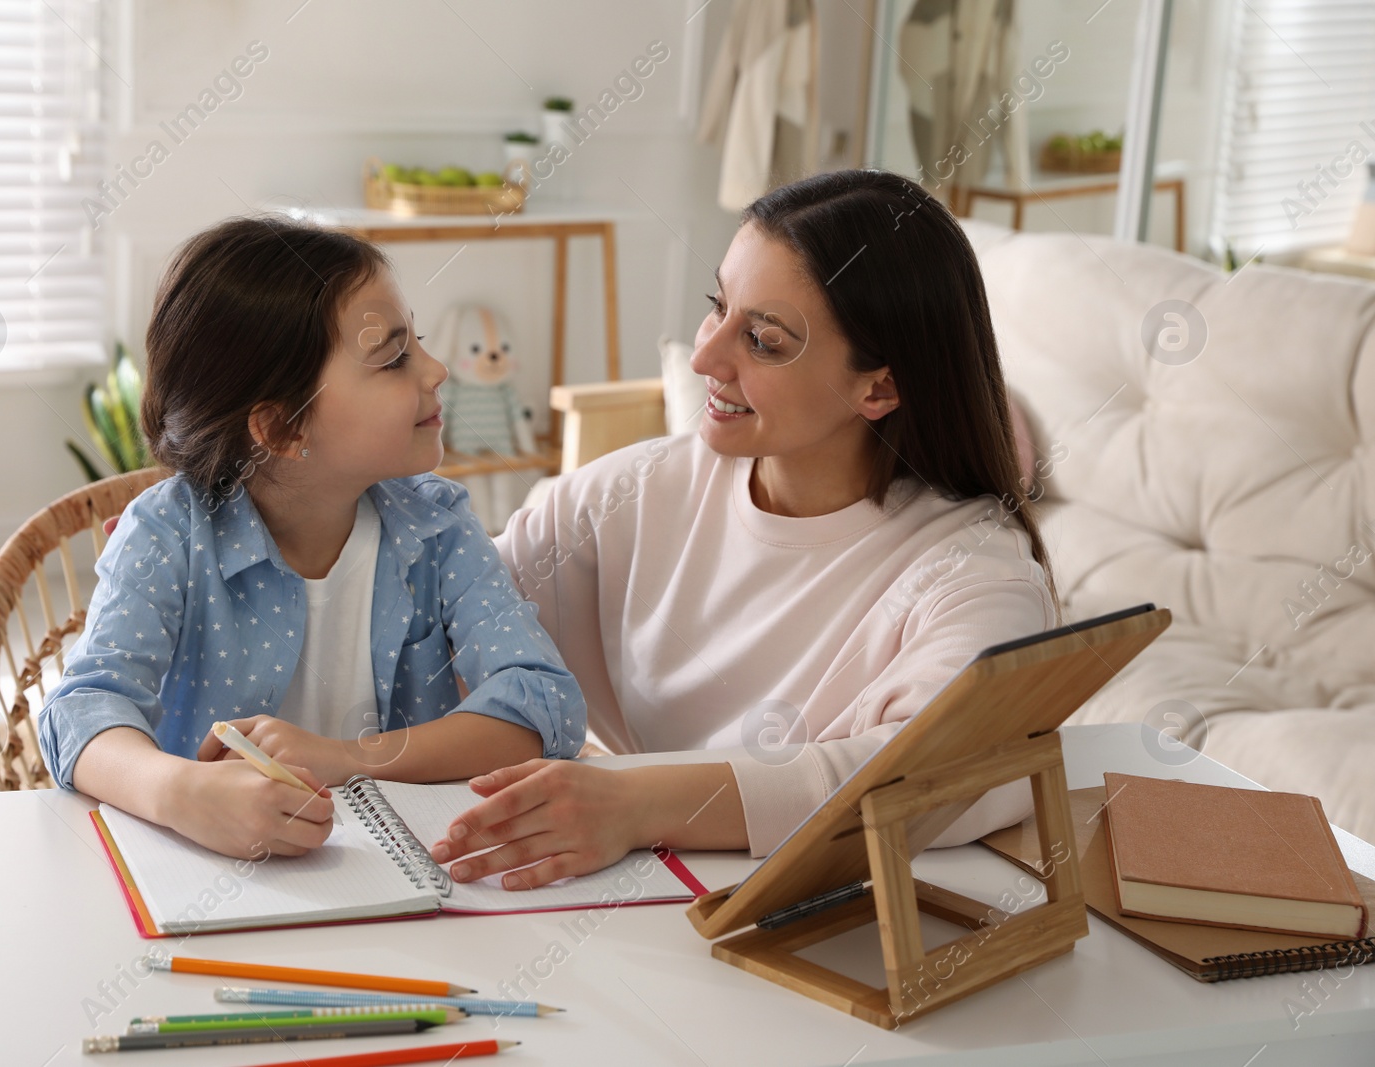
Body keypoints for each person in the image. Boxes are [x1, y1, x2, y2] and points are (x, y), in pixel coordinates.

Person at [428, 169, 1061, 891]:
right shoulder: (639, 490)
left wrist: (636, 802)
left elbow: (948, 772)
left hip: (805, 920)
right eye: (717, 308)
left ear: (878, 387)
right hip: (628, 892)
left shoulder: (974, 570)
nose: (704, 357)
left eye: (761, 339)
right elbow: (440, 621)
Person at [37, 216, 586, 862]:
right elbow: (80, 713)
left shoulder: (437, 524)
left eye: (421, 342)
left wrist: (346, 758)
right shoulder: (168, 535)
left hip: (403, 873)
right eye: (394, 357)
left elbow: (543, 702)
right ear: (281, 428)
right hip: (217, 877)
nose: (436, 370)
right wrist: (185, 791)